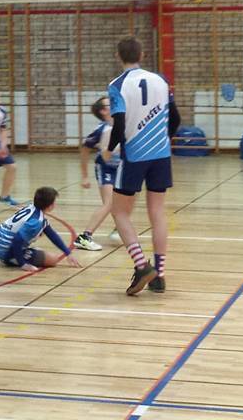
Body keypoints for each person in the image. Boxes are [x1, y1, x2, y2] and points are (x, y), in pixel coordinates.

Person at [104, 36, 180, 295]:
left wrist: (108, 150)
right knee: (157, 212)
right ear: (142, 54)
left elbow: (119, 124)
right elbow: (175, 118)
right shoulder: (161, 80)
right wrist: (164, 140)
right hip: (161, 155)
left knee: (119, 212)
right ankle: (160, 275)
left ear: (118, 56)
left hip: (134, 156)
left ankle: (141, 265)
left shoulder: (117, 85)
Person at [0, 187, 81, 270]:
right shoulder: (36, 222)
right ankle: (17, 257)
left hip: (0, 243)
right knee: (53, 260)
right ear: (50, 206)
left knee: (41, 243)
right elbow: (17, 240)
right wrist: (23, 264)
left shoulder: (32, 207)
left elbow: (51, 233)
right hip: (7, 253)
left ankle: (29, 253)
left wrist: (68, 253)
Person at [74, 98, 120, 251]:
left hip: (121, 168)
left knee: (122, 203)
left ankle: (119, 229)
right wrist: (84, 176)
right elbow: (85, 149)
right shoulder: (102, 129)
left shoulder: (122, 123)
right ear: (103, 111)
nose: (115, 104)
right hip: (105, 168)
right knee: (109, 203)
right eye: (110, 103)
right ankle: (84, 237)